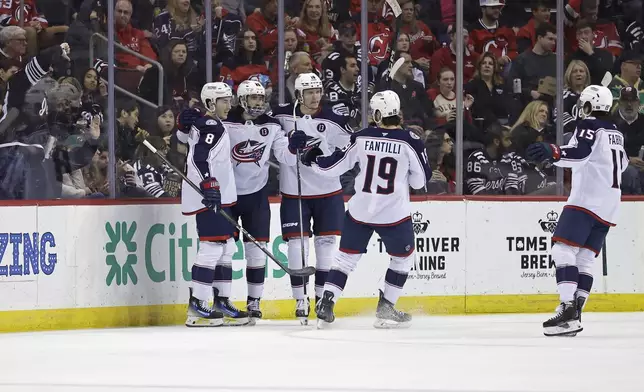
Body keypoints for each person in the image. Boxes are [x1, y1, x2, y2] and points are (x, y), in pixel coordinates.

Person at [301, 90, 432, 329]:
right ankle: (386, 308)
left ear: (379, 113)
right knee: (403, 259)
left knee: (344, 260)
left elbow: (333, 167)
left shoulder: (361, 137)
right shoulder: (410, 141)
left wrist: (311, 157)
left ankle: (326, 303)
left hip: (359, 211)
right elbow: (419, 182)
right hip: (393, 215)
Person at [526, 85, 628, 337]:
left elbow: (581, 153)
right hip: (610, 203)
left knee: (562, 249)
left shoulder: (590, 125)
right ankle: (576, 315)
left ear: (589, 105)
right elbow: (622, 164)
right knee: (583, 258)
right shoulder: (616, 132)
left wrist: (554, 151)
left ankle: (567, 310)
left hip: (587, 200)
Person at [221, 79, 306, 324]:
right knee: (224, 250)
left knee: (256, 252)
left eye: (261, 98)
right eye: (253, 98)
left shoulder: (272, 125)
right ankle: (223, 299)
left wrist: (293, 148)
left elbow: (284, 157)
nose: (258, 103)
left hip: (257, 195)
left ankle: (254, 302)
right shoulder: (225, 123)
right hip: (228, 194)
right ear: (241, 99)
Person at [272, 72, 352, 325]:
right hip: (294, 194)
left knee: (327, 245)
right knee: (297, 246)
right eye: (310, 92)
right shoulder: (282, 115)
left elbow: (349, 149)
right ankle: (300, 300)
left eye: (318, 91)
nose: (315, 96)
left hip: (328, 192)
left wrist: (327, 159)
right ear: (299, 94)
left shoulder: (334, 120)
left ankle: (321, 298)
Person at [177, 82, 249, 327]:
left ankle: (221, 300)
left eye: (229, 100)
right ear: (210, 104)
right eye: (223, 101)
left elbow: (188, 140)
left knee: (227, 247)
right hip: (210, 195)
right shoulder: (210, 126)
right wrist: (208, 184)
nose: (229, 105)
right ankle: (197, 304)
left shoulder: (211, 124)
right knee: (212, 247)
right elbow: (199, 157)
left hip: (221, 194)